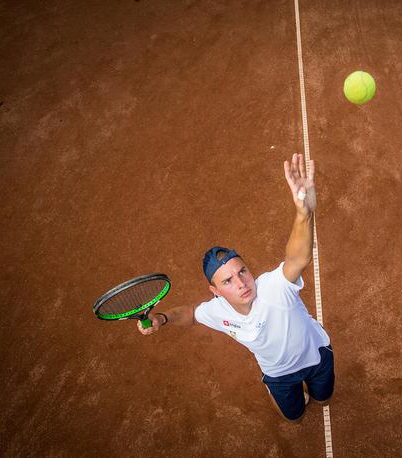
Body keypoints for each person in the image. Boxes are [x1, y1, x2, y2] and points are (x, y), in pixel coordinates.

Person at [138, 153, 334, 423]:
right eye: (227, 281)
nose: (241, 283)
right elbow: (192, 314)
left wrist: (303, 212)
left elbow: (297, 258)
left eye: (242, 271)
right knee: (295, 417)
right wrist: (163, 318)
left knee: (324, 400)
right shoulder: (216, 311)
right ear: (215, 291)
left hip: (316, 357)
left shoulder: (274, 287)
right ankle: (278, 390)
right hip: (278, 374)